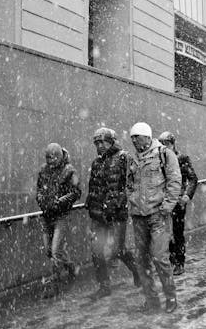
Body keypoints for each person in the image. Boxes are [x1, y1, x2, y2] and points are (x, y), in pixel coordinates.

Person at [128, 122, 182, 313]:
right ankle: (151, 300)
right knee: (141, 260)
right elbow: (129, 183)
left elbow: (175, 181)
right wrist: (131, 202)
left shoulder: (164, 154)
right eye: (132, 137)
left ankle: (171, 296)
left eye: (137, 137)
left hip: (158, 215)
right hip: (138, 216)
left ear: (147, 136)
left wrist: (167, 207)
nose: (134, 140)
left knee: (160, 258)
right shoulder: (132, 158)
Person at [85, 128, 141, 300]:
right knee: (96, 252)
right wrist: (91, 203)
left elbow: (130, 185)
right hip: (98, 215)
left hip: (117, 214)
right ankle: (104, 286)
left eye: (102, 142)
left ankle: (138, 271)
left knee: (118, 250)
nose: (99, 146)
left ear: (111, 141)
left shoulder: (124, 157)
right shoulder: (96, 163)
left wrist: (114, 205)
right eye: (97, 143)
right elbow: (93, 187)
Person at [35, 143, 81, 298]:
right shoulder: (43, 171)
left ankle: (55, 285)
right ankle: (71, 268)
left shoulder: (69, 171)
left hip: (62, 215)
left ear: (60, 156)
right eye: (48, 157)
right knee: (50, 250)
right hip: (47, 215)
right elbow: (39, 190)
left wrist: (60, 202)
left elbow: (76, 192)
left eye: (54, 157)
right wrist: (41, 200)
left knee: (55, 251)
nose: (51, 160)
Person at [157, 131, 198, 276]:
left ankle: (179, 262)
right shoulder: (158, 160)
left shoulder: (181, 158)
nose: (164, 147)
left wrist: (186, 195)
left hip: (178, 201)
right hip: (163, 201)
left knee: (177, 232)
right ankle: (170, 261)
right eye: (161, 144)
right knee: (164, 233)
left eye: (166, 144)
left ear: (173, 144)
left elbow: (193, 178)